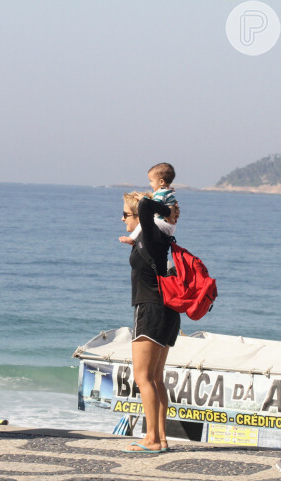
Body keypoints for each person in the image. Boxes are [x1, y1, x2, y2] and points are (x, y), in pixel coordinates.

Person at [120, 191, 180, 454]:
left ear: (137, 216)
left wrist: (163, 208)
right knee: (156, 378)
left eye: (125, 214)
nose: (122, 219)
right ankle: (162, 439)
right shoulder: (155, 237)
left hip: (150, 310)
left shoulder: (150, 232)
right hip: (168, 313)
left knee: (143, 377)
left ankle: (152, 439)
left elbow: (145, 204)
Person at [120, 163, 177, 245]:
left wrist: (144, 200)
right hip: (167, 224)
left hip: (165, 224)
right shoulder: (165, 192)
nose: (150, 184)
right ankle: (134, 239)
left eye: (151, 181)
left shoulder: (162, 193)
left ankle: (131, 238)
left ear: (161, 182)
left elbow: (155, 205)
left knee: (143, 224)